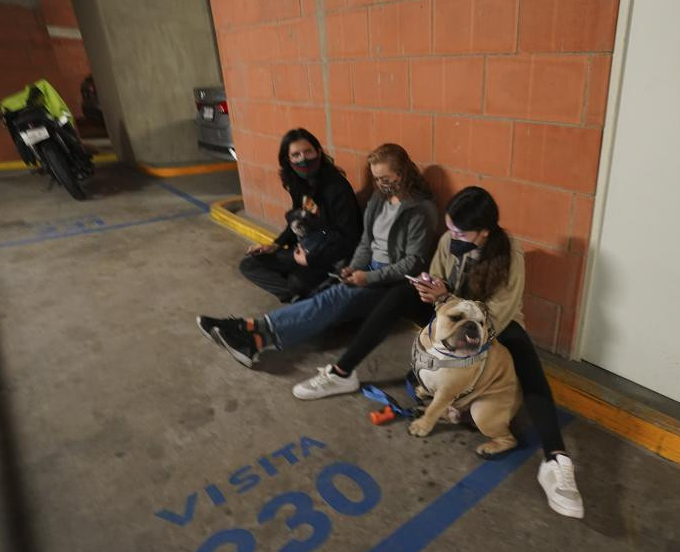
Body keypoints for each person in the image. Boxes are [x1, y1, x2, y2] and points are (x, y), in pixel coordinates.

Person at [292, 186, 585, 519]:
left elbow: (499, 311)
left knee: (528, 364)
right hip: (448, 313)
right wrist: (428, 289)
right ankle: (341, 373)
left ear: (484, 231)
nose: (452, 236)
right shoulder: (449, 242)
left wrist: (450, 298)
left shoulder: (510, 253)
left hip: (489, 323)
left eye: (461, 232)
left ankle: (556, 461)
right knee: (397, 296)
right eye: (450, 227)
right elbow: (436, 278)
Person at [197, 143, 437, 366]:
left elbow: (412, 263)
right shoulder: (379, 199)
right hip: (368, 270)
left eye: (386, 178)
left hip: (393, 284)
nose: (381, 184)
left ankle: (250, 331)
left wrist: (368, 278)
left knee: (329, 301)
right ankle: (253, 337)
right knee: (324, 301)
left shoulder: (419, 210)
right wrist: (355, 268)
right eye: (376, 178)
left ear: (403, 172)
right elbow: (367, 242)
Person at [238, 128, 361, 303]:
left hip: (331, 256)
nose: (303, 159)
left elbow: (349, 239)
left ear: (318, 152)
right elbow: (297, 222)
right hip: (304, 250)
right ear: (288, 160)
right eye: (296, 155)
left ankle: (307, 292)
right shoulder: (298, 184)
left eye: (308, 151)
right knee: (250, 264)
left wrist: (310, 258)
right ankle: (300, 296)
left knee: (298, 281)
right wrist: (276, 244)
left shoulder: (337, 188)